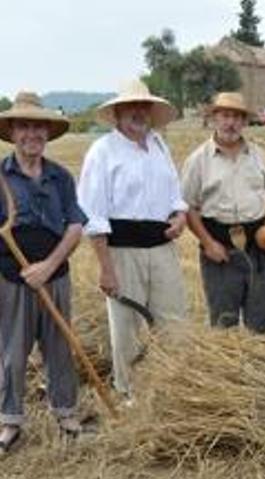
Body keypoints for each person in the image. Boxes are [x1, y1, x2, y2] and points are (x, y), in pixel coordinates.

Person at [77, 79, 188, 402]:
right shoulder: (102, 152)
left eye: (144, 106)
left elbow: (175, 197)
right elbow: (92, 215)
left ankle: (169, 391)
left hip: (162, 248)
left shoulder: (159, 146)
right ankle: (129, 394)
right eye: (131, 107)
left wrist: (180, 218)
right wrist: (106, 268)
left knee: (173, 322)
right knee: (127, 328)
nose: (138, 112)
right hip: (122, 250)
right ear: (117, 113)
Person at [0, 92, 87, 450]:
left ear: (48, 132)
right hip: (11, 278)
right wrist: (24, 271)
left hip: (55, 275)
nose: (32, 133)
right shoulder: (1, 177)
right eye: (24, 126)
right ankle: (9, 420)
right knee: (11, 351)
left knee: (60, 347)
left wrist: (48, 266)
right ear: (13, 132)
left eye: (38, 126)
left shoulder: (60, 177)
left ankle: (66, 412)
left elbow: (75, 225)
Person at [181, 92, 265, 333]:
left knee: (264, 326)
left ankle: (262, 369)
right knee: (224, 325)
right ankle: (230, 371)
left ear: (244, 122)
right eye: (225, 116)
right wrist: (208, 244)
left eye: (237, 117)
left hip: (262, 248)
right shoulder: (198, 161)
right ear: (214, 119)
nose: (231, 123)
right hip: (221, 250)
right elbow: (188, 207)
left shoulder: (259, 155)